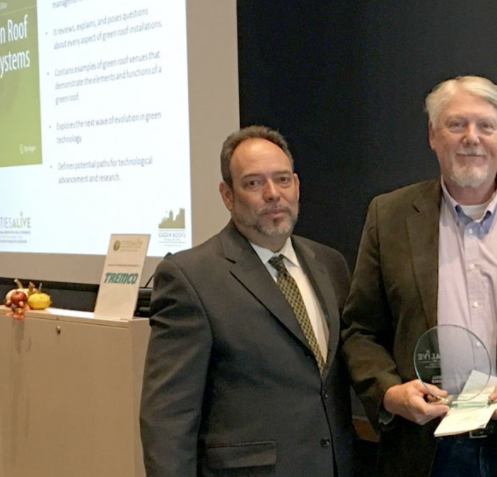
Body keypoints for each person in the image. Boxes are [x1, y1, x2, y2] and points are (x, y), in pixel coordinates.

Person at [341, 75, 497, 477]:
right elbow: (360, 329)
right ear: (433, 136)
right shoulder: (388, 217)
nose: (471, 138)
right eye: (456, 125)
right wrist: (389, 391)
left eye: (486, 126)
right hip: (428, 450)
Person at [140, 126, 354, 477]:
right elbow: (168, 417)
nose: (273, 194)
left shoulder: (330, 264)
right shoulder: (190, 277)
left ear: (297, 186)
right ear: (227, 195)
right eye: (253, 183)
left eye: (282, 180)